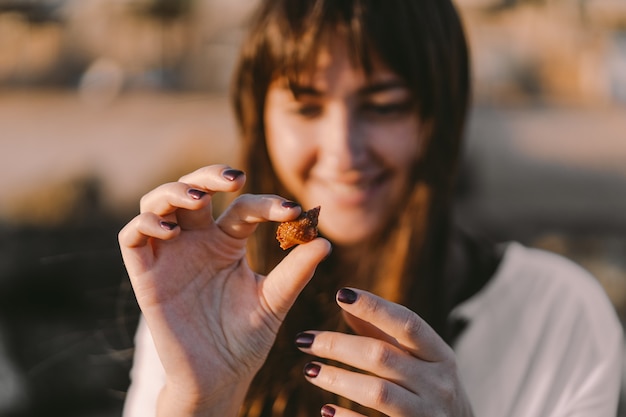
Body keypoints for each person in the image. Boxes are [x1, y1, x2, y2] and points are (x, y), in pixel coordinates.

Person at [118, 0, 623, 416]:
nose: (344, 153)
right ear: (259, 118)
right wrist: (201, 401)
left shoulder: (557, 312)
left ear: (438, 118)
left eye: (384, 106)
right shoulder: (201, 301)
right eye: (306, 105)